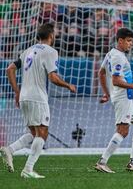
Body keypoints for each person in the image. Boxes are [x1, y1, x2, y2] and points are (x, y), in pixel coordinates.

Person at [0, 23, 76, 178]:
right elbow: (53, 78)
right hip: (37, 97)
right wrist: (68, 85)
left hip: (24, 96)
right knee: (42, 133)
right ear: (51, 36)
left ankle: (10, 150)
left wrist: (16, 91)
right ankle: (28, 170)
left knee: (34, 132)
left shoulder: (28, 50)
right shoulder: (50, 51)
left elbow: (10, 69)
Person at [95, 28, 133, 173]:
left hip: (125, 98)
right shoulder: (118, 57)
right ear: (120, 40)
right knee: (123, 130)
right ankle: (102, 162)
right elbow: (117, 80)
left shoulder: (111, 53)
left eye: (132, 41)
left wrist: (107, 94)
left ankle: (132, 162)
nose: (131, 44)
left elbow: (101, 73)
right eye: (129, 41)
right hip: (122, 97)